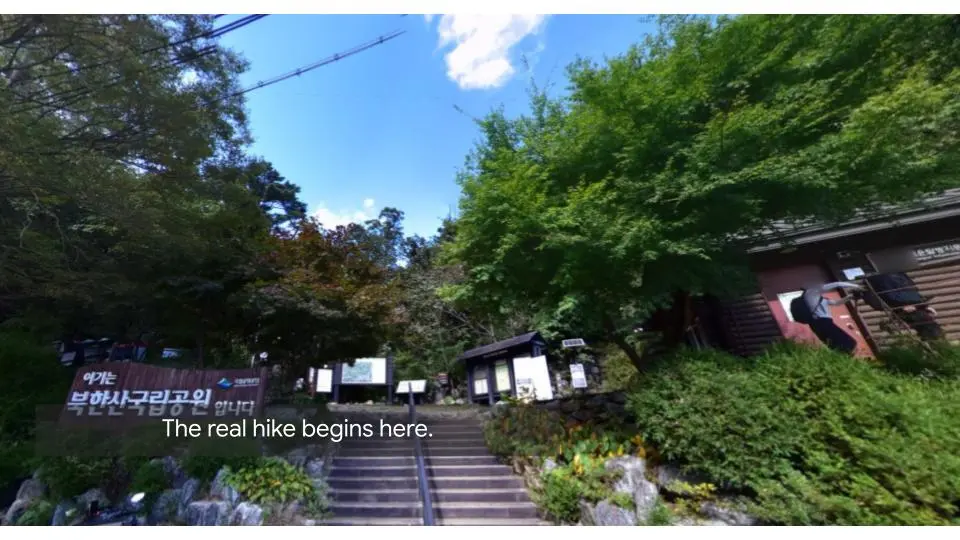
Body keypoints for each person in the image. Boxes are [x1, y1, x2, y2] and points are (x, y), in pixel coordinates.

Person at [790, 281, 863, 354]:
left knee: (839, 344)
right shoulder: (811, 292)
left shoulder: (818, 298)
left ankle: (847, 358)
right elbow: (837, 284)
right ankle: (849, 357)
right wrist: (857, 286)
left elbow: (836, 303)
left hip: (823, 323)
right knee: (846, 342)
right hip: (821, 322)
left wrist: (849, 297)